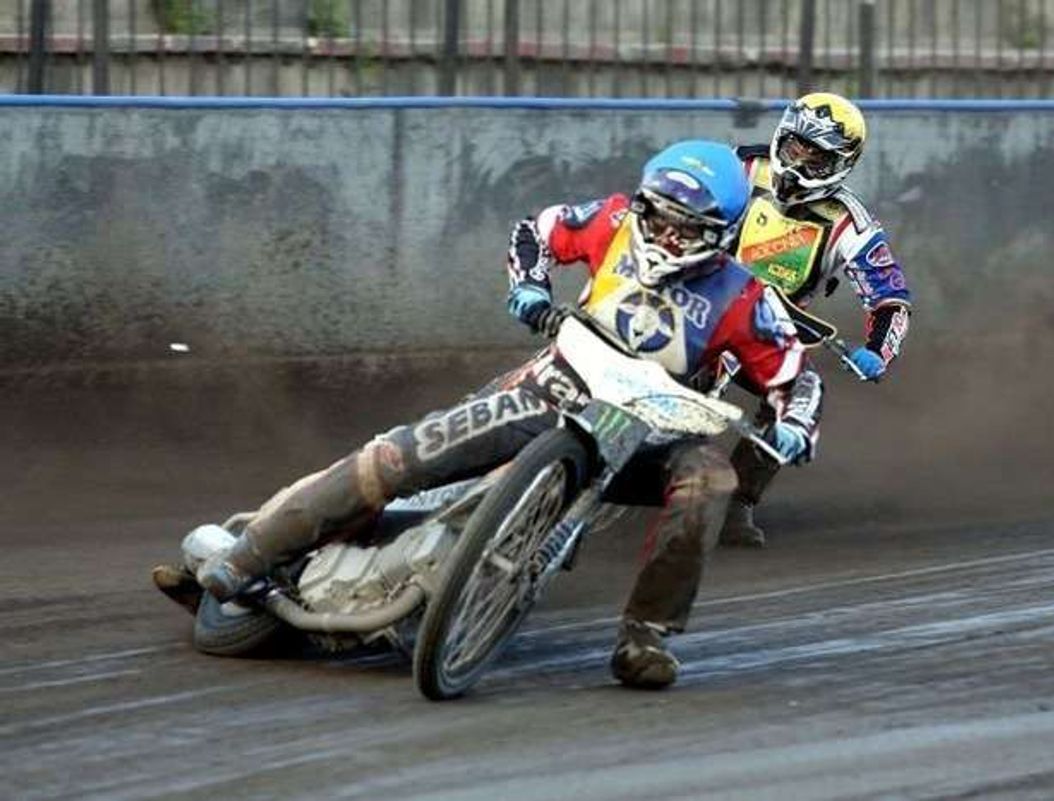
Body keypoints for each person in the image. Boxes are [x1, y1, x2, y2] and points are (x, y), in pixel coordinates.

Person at [158, 140, 818, 690]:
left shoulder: (744, 296)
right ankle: (248, 556)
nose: (668, 235)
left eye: (688, 229)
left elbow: (795, 373)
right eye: (659, 216)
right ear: (642, 204)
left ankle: (646, 634)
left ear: (721, 235)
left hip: (654, 436)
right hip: (552, 390)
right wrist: (529, 286)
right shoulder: (613, 221)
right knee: (403, 455)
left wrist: (793, 426)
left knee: (711, 478)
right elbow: (535, 230)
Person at [717, 92, 913, 547]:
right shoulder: (739, 167)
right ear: (780, 138)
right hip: (698, 293)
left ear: (841, 164)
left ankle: (738, 502)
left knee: (794, 392)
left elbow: (891, 297)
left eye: (816, 159)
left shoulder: (851, 224)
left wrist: (878, 352)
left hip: (766, 328)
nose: (798, 166)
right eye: (793, 149)